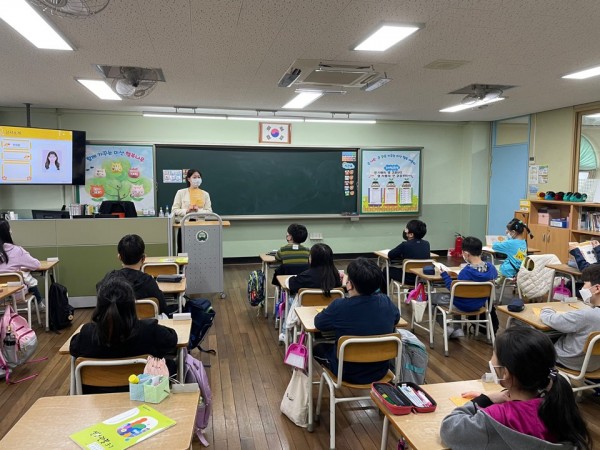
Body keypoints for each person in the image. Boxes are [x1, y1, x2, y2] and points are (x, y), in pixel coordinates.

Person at [440, 327, 592, 450]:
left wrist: (485, 399)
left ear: (505, 373)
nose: (491, 359)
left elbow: (449, 430)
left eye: (494, 354)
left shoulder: (496, 417)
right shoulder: (560, 404)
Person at [70, 275, 177, 393]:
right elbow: (172, 340)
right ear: (132, 305)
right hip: (144, 395)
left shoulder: (87, 333)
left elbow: (73, 348)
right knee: (171, 364)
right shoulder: (149, 330)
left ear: (99, 306)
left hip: (98, 397)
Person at [313, 257, 400, 384]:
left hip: (346, 373)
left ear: (350, 284)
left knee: (317, 348)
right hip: (380, 371)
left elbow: (319, 323)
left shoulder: (339, 306)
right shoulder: (385, 301)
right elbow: (396, 319)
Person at [540, 264, 600, 371]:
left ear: (597, 288)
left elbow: (552, 320)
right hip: (595, 364)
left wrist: (546, 309)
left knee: (535, 338)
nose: (582, 288)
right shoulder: (589, 313)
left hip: (570, 361)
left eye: (585, 284)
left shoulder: (587, 315)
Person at [96, 234, 173, 316]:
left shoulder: (110, 278)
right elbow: (163, 309)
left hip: (116, 323)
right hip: (144, 323)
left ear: (119, 257)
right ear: (143, 258)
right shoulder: (148, 282)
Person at [437, 236, 498, 339]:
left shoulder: (466, 272)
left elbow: (452, 289)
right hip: (480, 304)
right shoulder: (491, 269)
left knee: (432, 299)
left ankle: (449, 328)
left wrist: (444, 275)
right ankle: (457, 329)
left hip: (463, 306)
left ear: (466, 254)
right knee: (459, 296)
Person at [0, 219, 44, 310]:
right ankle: (39, 304)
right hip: (17, 294)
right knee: (27, 277)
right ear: (8, 232)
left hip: (1, 295)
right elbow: (36, 265)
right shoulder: (16, 250)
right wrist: (22, 268)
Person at [383, 219, 430, 293]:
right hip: (422, 278)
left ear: (411, 234)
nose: (405, 231)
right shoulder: (427, 244)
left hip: (408, 279)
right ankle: (411, 293)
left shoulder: (405, 245)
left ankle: (383, 294)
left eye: (406, 229)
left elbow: (390, 255)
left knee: (386, 269)